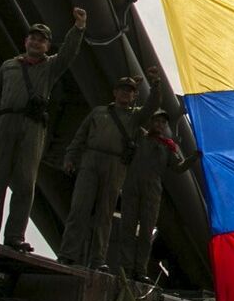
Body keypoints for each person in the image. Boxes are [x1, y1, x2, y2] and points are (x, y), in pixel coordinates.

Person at [0, 8, 87, 252]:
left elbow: (68, 54)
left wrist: (78, 28)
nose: (36, 42)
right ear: (26, 41)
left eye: (42, 40)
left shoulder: (50, 67)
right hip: (5, 123)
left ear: (47, 46)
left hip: (32, 128)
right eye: (33, 38)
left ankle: (14, 236)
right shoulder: (9, 67)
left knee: (25, 183)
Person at [60, 69, 166, 268]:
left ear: (135, 95)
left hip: (116, 165)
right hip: (91, 161)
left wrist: (156, 84)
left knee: (105, 213)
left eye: (130, 91)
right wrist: (70, 157)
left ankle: (98, 259)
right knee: (79, 209)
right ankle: (68, 253)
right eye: (122, 90)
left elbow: (153, 105)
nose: (126, 93)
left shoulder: (135, 117)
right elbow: (80, 137)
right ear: (114, 92)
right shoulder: (98, 113)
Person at [108, 109, 195, 276]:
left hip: (152, 190)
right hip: (132, 186)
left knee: (146, 232)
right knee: (128, 227)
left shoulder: (168, 146)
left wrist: (194, 157)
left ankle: (140, 269)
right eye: (156, 121)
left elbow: (178, 168)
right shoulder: (139, 136)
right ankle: (125, 267)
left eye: (163, 122)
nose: (159, 125)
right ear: (151, 122)